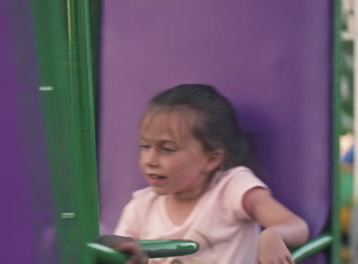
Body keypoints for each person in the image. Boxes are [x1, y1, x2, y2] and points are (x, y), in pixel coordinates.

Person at [97, 84, 309, 264]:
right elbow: (112, 250)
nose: (150, 160)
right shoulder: (140, 208)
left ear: (211, 159)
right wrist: (116, 247)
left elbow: (295, 226)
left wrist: (272, 235)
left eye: (167, 149)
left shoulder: (231, 189)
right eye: (145, 146)